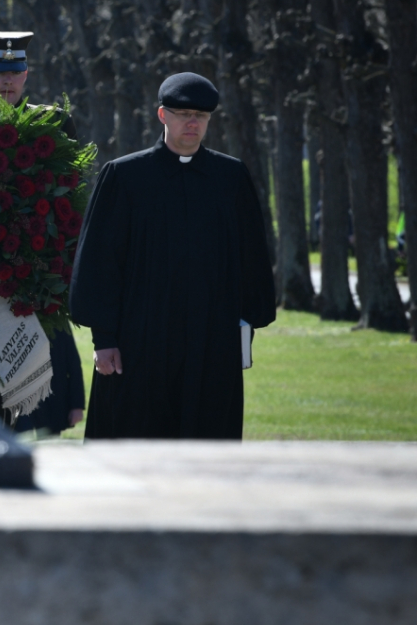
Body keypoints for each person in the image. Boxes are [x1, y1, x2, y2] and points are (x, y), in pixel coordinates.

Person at [70, 73, 277, 439]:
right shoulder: (124, 177)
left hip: (211, 339)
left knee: (206, 445)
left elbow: (252, 259)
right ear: (162, 115)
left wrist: (244, 329)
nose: (192, 123)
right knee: (133, 444)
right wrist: (104, 339)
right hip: (138, 341)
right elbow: (100, 263)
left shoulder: (230, 178)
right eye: (183, 114)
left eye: (201, 115)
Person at [0, 30, 87, 433]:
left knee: (36, 391)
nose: (7, 81)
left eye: (15, 72)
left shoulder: (54, 122)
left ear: (26, 74)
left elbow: (72, 196)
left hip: (35, 272)